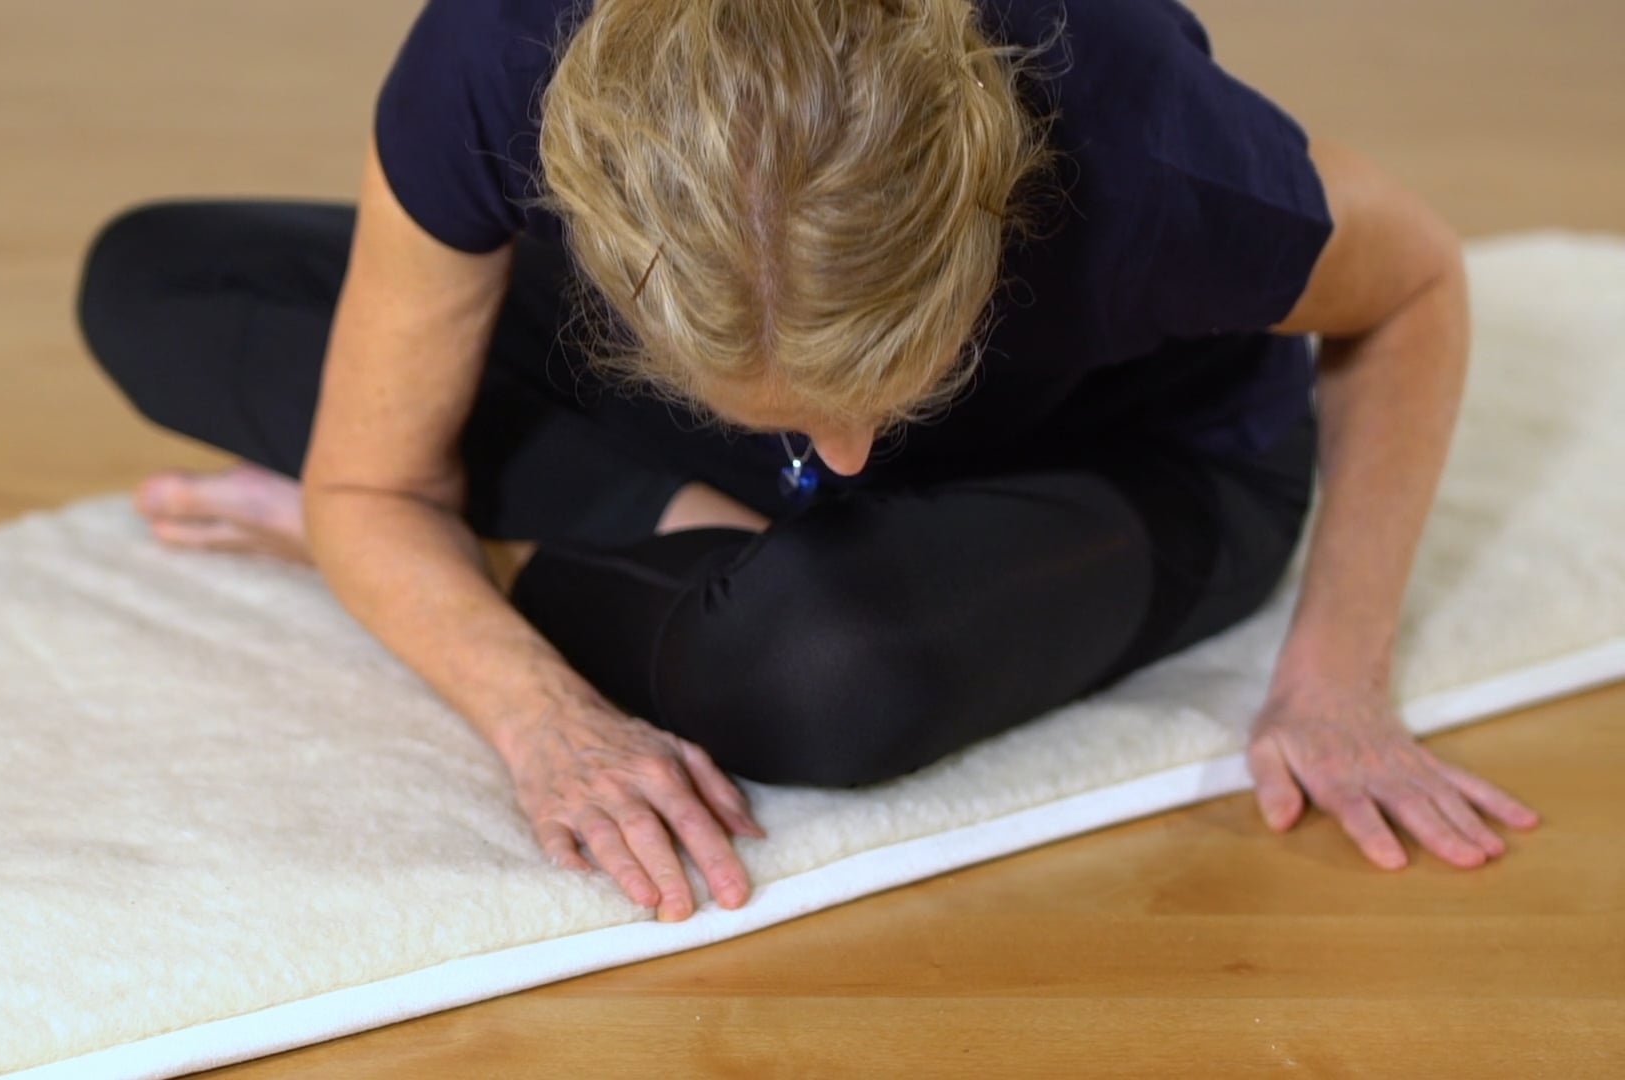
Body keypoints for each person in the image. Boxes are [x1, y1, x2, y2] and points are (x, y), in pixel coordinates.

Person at [75, 0, 1538, 922]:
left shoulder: (1139, 141)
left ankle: (579, 543)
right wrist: (538, 716)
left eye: (894, 385)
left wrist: (1336, 679)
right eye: (795, 416)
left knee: (826, 671)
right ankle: (680, 520)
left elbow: (1413, 287)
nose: (838, 455)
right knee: (157, 283)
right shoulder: (499, 54)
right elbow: (374, 487)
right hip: (693, 374)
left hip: (1111, 457)